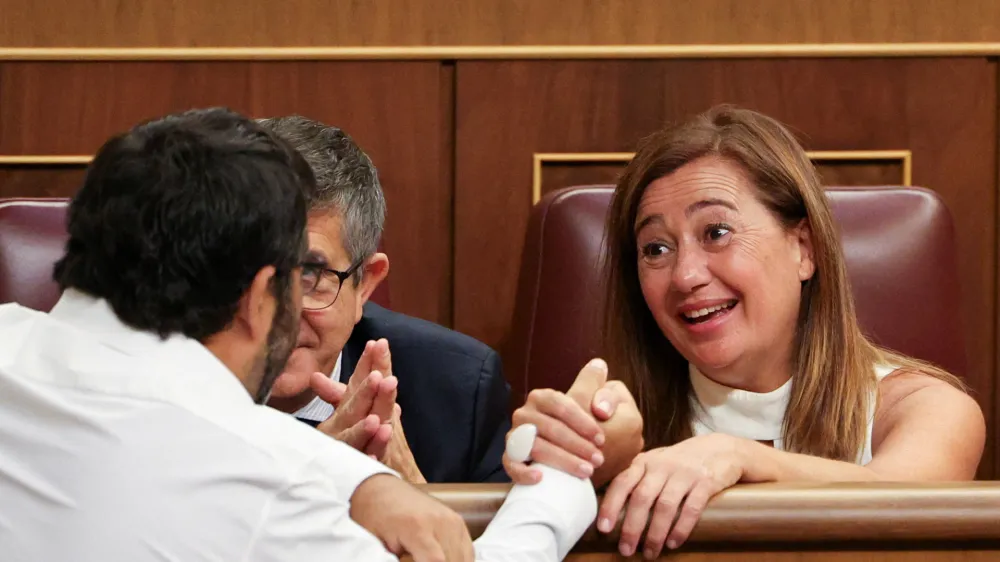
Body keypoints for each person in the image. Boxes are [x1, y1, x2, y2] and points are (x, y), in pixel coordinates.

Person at [0, 107, 596, 561]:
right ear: (263, 296)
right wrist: (565, 482)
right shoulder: (269, 498)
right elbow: (214, 437)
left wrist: (360, 478)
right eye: (298, 277)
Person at [504, 106, 986, 558]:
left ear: (804, 248)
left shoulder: (925, 408)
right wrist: (580, 466)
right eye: (656, 249)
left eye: (716, 232)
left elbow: (902, 505)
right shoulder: (619, 420)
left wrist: (740, 458)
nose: (685, 275)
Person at [257, 115, 510, 483]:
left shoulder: (458, 389)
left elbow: (490, 523)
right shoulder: (168, 383)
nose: (276, 315)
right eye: (248, 274)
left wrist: (407, 490)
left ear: (364, 284)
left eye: (309, 275)